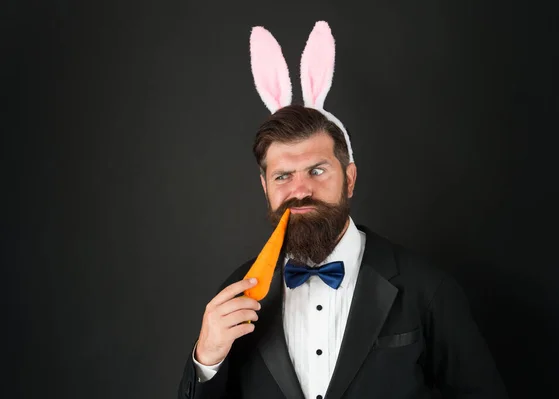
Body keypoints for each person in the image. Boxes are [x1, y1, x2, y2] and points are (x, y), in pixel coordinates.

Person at [178, 21, 508, 399]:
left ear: (349, 178)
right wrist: (206, 359)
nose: (300, 190)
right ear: (265, 187)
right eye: (283, 176)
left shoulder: (426, 288)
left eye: (317, 171)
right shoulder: (238, 295)